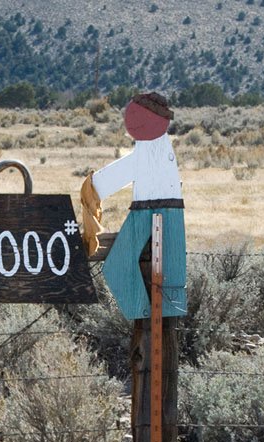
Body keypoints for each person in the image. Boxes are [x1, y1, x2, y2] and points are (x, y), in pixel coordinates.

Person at [80, 92, 187, 320]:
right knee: (171, 272)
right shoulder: (162, 148)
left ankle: (145, 316)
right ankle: (163, 314)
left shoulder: (148, 150)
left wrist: (90, 187)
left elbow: (113, 177)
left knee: (118, 265)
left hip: (146, 210)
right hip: (169, 209)